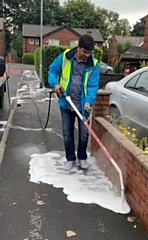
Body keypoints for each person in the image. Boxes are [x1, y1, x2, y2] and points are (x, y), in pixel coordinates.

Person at [48, 34, 100, 171]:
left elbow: (92, 86)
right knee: (67, 132)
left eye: (90, 52)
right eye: (85, 52)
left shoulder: (93, 65)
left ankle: (82, 157)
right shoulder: (65, 57)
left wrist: (89, 101)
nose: (87, 55)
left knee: (84, 133)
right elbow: (52, 70)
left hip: (83, 106)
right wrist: (55, 84)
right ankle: (70, 158)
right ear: (78, 48)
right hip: (66, 102)